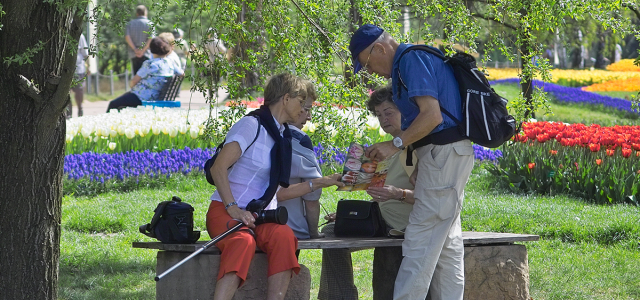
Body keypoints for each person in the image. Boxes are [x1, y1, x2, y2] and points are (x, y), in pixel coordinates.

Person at [350, 24, 475, 300]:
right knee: (447, 247)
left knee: (419, 241)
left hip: (444, 154)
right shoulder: (410, 60)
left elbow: (432, 116)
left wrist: (395, 144)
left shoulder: (409, 61)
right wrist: (420, 162)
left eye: (367, 65)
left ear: (380, 49)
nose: (370, 73)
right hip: (443, 155)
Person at [206, 73, 341, 300]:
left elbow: (277, 193)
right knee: (243, 241)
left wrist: (322, 182)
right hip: (225, 211)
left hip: (260, 216)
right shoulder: (251, 126)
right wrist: (233, 208)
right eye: (302, 103)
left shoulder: (283, 136)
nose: (305, 110)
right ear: (286, 98)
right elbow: (217, 168)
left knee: (285, 237)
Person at [317, 86, 418, 300]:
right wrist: (354, 216)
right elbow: (383, 195)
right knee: (331, 232)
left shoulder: (417, 146)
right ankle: (340, 296)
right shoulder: (384, 149)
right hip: (381, 219)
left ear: (405, 111)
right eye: (379, 115)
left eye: (389, 112)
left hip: (404, 226)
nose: (383, 119)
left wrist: (398, 193)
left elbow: (431, 195)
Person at [277, 80, 335, 240]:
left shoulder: (259, 130)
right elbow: (312, 195)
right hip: (290, 227)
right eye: (306, 109)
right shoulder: (299, 139)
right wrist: (313, 232)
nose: (309, 116)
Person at [106, 37, 183, 112]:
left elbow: (133, 82)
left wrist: (133, 89)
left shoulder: (150, 64)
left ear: (152, 49)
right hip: (157, 97)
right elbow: (182, 74)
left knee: (113, 104)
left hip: (142, 97)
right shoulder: (170, 63)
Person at [125, 5, 154, 75]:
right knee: (146, 75)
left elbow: (127, 37)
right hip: (146, 53)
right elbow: (151, 38)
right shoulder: (150, 24)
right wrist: (143, 50)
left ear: (137, 13)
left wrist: (135, 49)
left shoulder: (130, 24)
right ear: (145, 13)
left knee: (136, 74)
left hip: (133, 53)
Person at [68, 33, 90, 118]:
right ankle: (68, 112)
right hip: (65, 69)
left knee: (79, 91)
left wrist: (88, 67)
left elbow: (85, 54)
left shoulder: (80, 36)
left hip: (79, 69)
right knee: (66, 92)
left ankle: (80, 107)